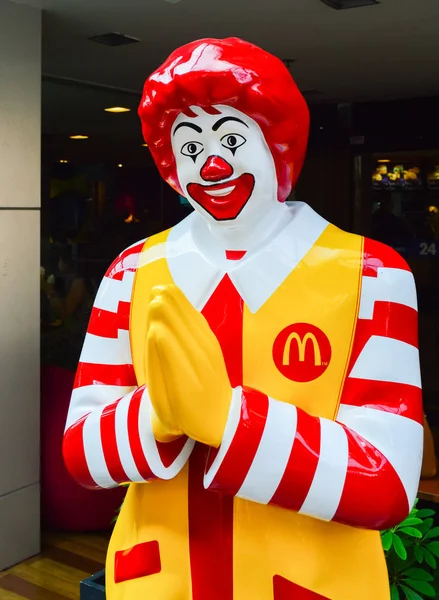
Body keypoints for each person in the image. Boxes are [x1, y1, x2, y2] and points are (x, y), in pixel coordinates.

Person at [63, 38, 423, 600]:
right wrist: (160, 411)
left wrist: (228, 421)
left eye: (232, 138)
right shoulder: (130, 273)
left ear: (276, 143)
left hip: (312, 583)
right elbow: (82, 451)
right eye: (189, 144)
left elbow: (389, 485)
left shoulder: (373, 276)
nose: (211, 163)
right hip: (159, 581)